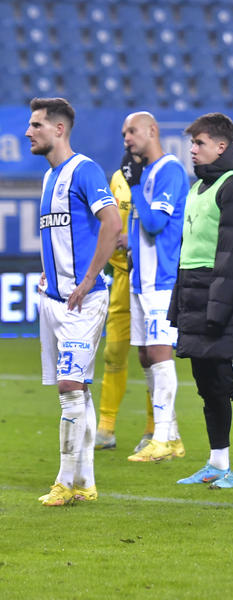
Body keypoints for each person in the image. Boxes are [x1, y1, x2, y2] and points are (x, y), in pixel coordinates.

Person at [27, 97, 122, 505]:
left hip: (83, 301)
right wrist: (51, 269)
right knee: (76, 390)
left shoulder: (84, 170)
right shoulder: (49, 179)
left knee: (69, 385)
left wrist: (87, 279)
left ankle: (64, 482)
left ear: (58, 129)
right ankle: (85, 482)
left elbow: (113, 222)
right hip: (54, 299)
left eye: (36, 125)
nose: (28, 132)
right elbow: (61, 234)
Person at [169, 113, 233, 488]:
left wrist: (217, 310)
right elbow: (187, 255)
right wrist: (179, 307)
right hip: (196, 298)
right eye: (192, 143)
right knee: (207, 384)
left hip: (227, 301)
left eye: (200, 143)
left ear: (221, 147)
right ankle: (217, 461)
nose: (193, 150)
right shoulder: (197, 190)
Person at [122, 112, 189, 463]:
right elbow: (142, 228)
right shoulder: (147, 173)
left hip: (163, 280)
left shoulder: (170, 170)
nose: (127, 139)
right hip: (141, 280)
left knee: (160, 353)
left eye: (132, 131)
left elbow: (154, 222)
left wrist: (133, 187)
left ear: (152, 131)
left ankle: (161, 437)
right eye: (123, 134)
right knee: (146, 355)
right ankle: (172, 435)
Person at [95, 151, 155, 454]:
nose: (128, 141)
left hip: (150, 281)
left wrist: (134, 236)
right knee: (113, 353)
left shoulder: (159, 175)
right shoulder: (117, 177)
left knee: (152, 356)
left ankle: (153, 429)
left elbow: (165, 223)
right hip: (121, 277)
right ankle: (106, 428)